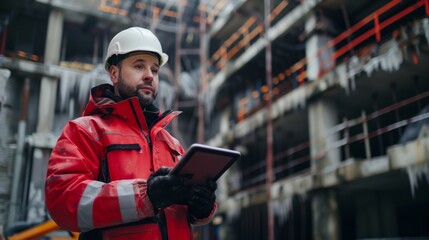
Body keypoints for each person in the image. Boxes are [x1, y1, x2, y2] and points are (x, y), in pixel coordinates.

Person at [45, 27, 217, 240]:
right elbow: (63, 201)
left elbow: (181, 216)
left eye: (154, 70)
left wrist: (202, 208)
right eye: (138, 66)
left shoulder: (171, 142)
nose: (149, 76)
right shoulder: (85, 130)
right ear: (114, 74)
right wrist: (147, 196)